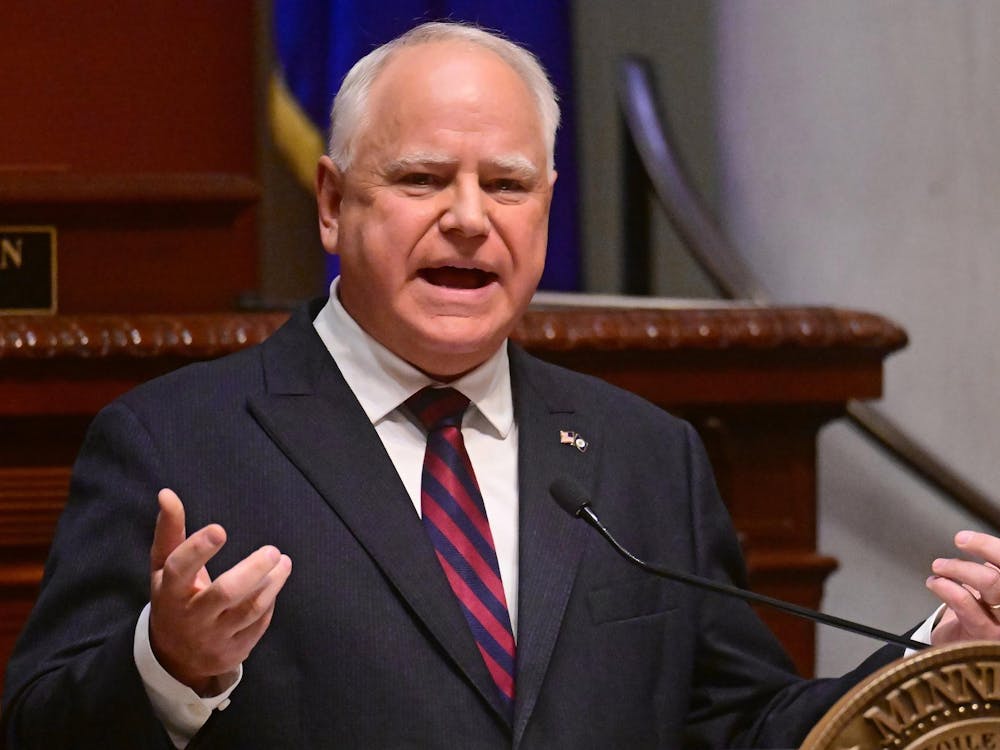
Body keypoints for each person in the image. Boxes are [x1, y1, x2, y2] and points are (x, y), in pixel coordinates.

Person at [3, 20, 1000, 749]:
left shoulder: (645, 455)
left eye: (508, 185)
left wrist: (937, 655)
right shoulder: (179, 440)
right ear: (332, 203)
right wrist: (169, 665)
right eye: (423, 179)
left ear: (546, 209)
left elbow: (741, 725)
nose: (471, 219)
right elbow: (40, 730)